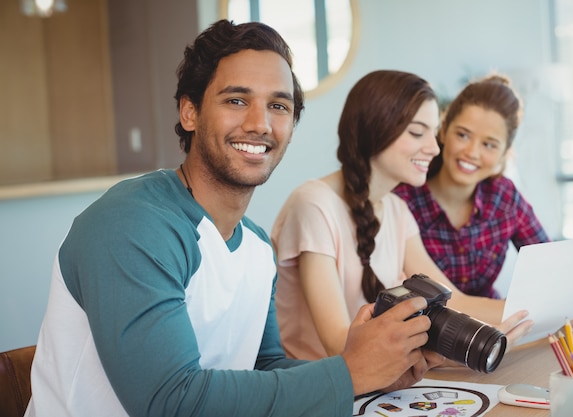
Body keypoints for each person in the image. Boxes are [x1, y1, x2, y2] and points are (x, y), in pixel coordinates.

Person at [25, 20, 442, 417]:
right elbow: (171, 402)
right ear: (189, 112)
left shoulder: (258, 248)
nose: (259, 123)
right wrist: (349, 373)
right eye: (236, 100)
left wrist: (375, 377)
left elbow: (263, 369)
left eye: (278, 106)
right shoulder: (130, 224)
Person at [271, 70, 532, 362]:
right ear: (375, 127)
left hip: (376, 387)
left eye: (433, 133)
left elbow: (454, 300)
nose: (434, 148)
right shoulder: (313, 204)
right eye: (418, 132)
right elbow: (339, 345)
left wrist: (557, 314)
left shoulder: (396, 210)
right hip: (324, 392)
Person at [394, 74, 573, 329]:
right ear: (444, 130)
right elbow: (444, 302)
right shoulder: (402, 202)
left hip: (494, 330)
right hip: (425, 339)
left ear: (505, 152)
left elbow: (549, 266)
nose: (472, 152)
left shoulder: (504, 197)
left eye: (489, 144)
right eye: (463, 135)